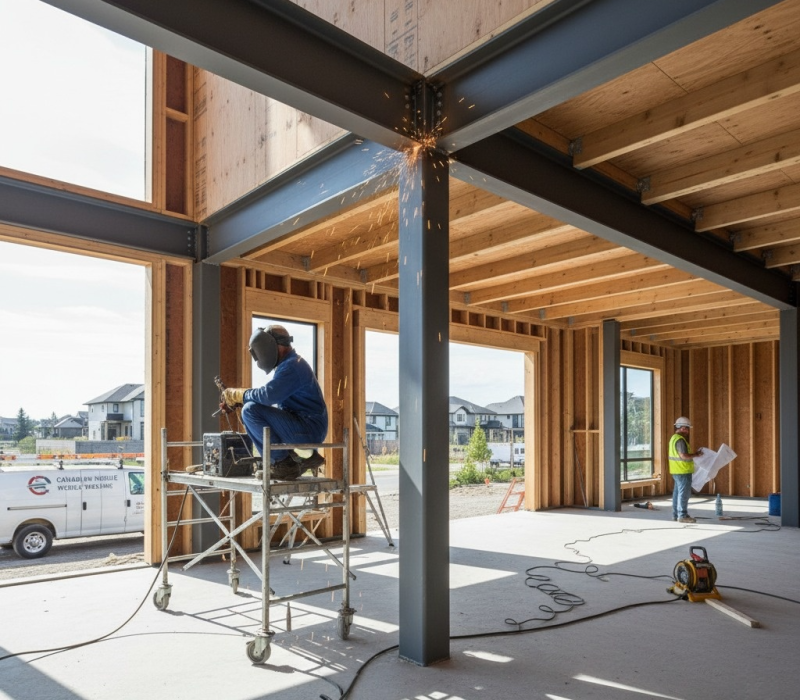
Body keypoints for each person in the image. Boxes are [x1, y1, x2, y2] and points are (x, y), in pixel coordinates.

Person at [220, 325, 328, 480]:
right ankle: (300, 458)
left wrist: (239, 394)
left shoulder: (293, 366)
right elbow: (268, 402)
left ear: (273, 346)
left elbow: (268, 396)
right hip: (305, 427)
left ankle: (282, 464)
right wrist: (240, 401)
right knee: (249, 409)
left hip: (308, 428)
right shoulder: (289, 364)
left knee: (250, 410)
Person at [669, 417, 703, 523]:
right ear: (683, 428)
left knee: (677, 493)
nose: (688, 431)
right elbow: (683, 456)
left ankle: (676, 515)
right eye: (687, 429)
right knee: (684, 494)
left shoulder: (673, 438)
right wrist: (696, 455)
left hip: (676, 470)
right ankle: (682, 515)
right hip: (683, 471)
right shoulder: (680, 440)